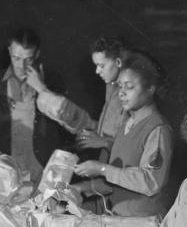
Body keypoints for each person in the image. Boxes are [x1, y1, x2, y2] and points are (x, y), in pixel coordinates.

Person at [73, 50, 174, 217]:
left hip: (143, 223)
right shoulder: (127, 125)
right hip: (121, 219)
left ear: (150, 89)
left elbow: (150, 182)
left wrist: (103, 168)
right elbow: (116, 180)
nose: (121, 93)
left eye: (130, 87)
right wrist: (81, 188)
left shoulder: (157, 129)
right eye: (119, 86)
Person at [0, 27, 73, 185]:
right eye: (16, 58)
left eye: (28, 59)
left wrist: (42, 89)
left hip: (43, 169)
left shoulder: (52, 80)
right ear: (9, 51)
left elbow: (68, 122)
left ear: (37, 54)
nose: (21, 66)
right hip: (8, 168)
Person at [75, 35, 129, 162]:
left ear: (118, 62)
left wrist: (104, 142)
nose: (97, 71)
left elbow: (134, 146)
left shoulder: (131, 95)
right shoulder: (111, 85)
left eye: (101, 65)